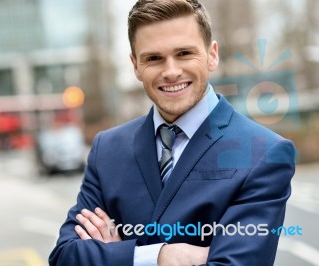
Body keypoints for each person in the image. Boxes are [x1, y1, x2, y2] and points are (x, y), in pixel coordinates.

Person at [48, 0, 296, 265]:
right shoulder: (107, 149)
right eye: (154, 58)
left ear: (212, 55)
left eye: (184, 53)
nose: (171, 72)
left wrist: (115, 255)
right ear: (135, 66)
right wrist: (157, 256)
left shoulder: (264, 153)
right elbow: (65, 256)